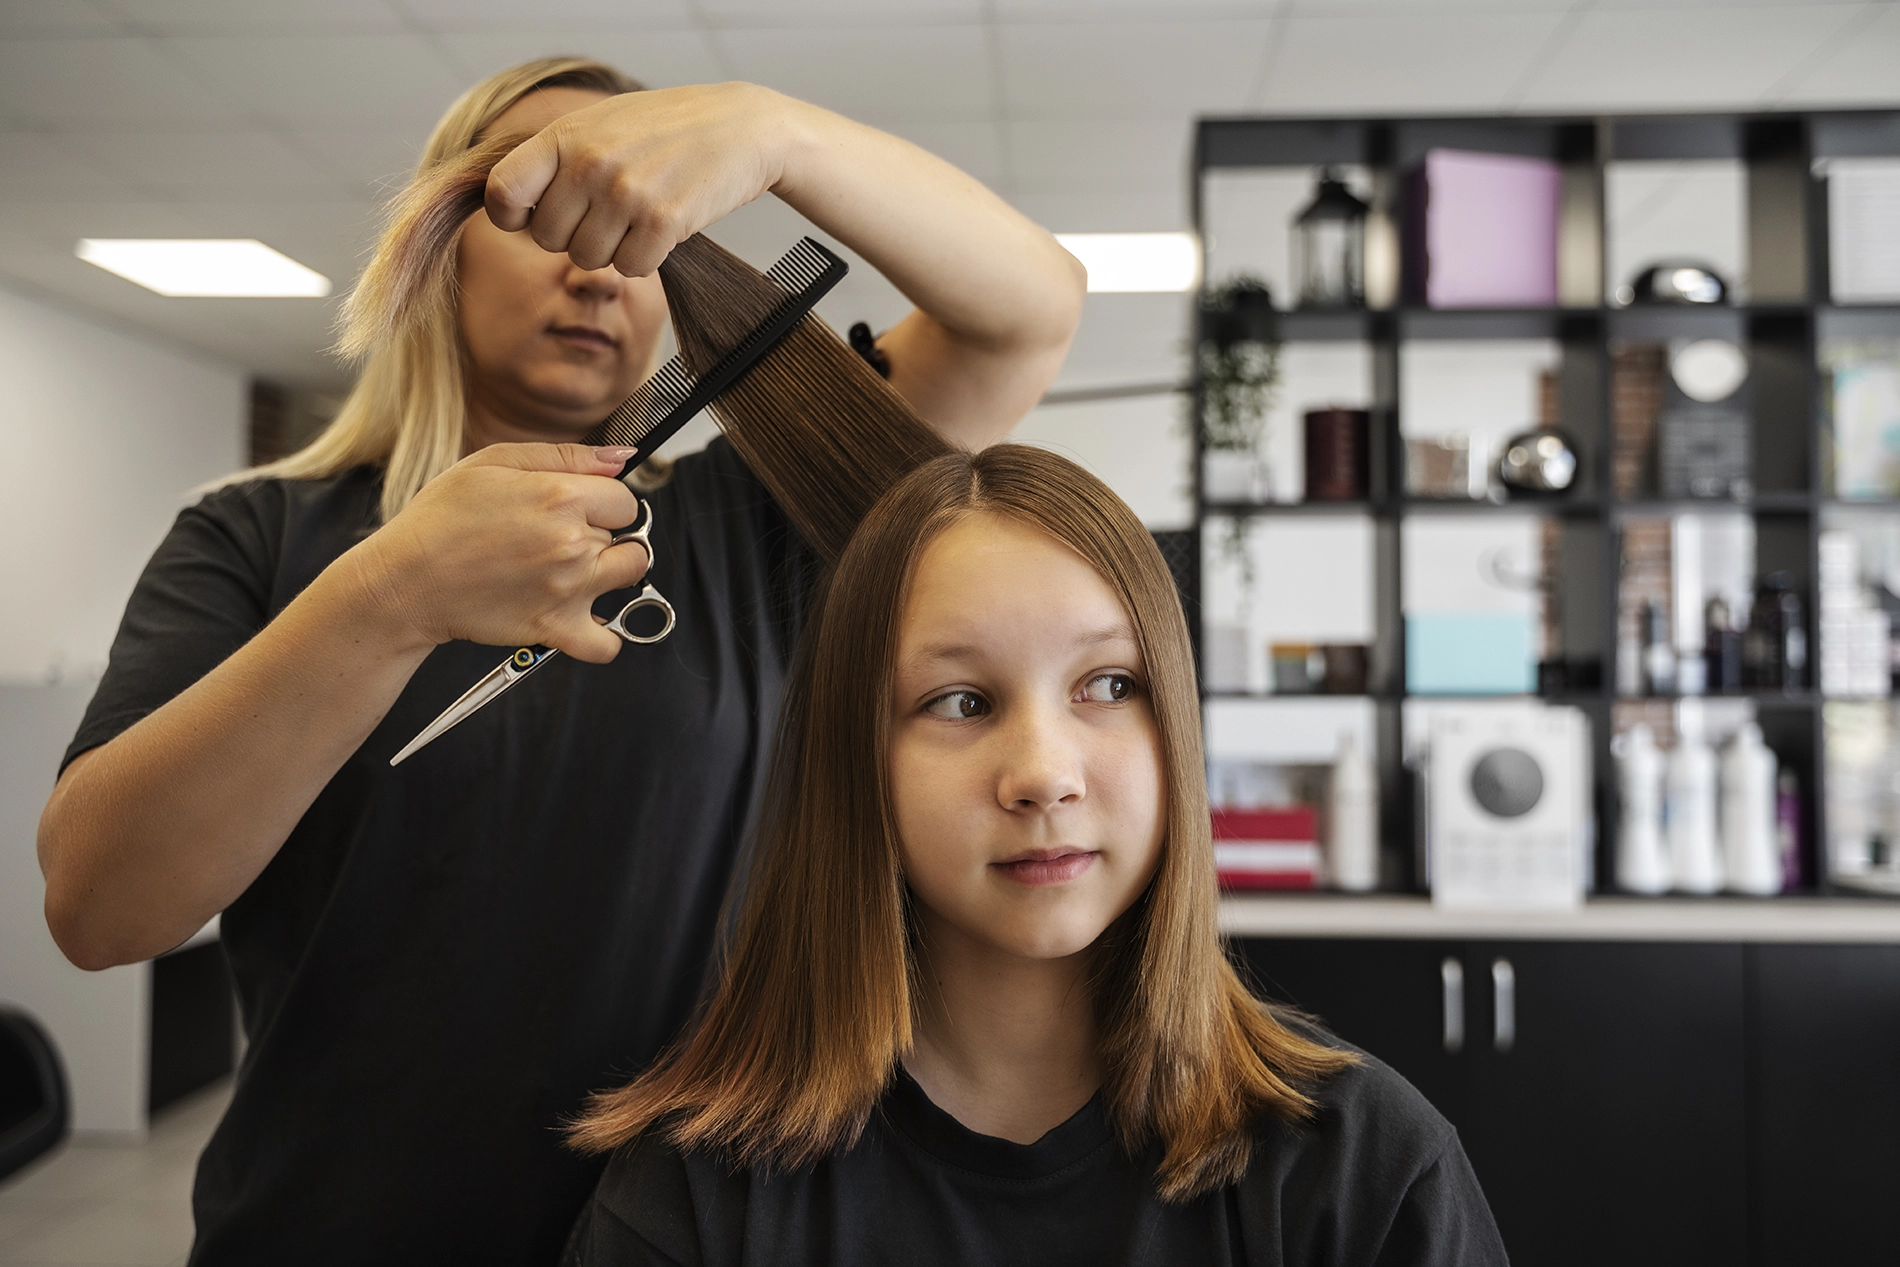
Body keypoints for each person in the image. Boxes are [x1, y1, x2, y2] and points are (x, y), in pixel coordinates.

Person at [35, 58, 1083, 1265]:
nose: (595, 267)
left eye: (640, 228)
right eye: (541, 215)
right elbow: (101, 907)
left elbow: (1029, 311)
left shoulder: (762, 517)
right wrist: (391, 596)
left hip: (701, 1232)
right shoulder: (260, 537)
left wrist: (771, 131)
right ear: (442, 244)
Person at [563, 446, 1508, 1266]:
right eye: (961, 702)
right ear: (856, 763)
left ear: (1174, 724)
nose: (1044, 775)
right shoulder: (694, 1197)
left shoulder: (1371, 1171)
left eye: (1107, 684)